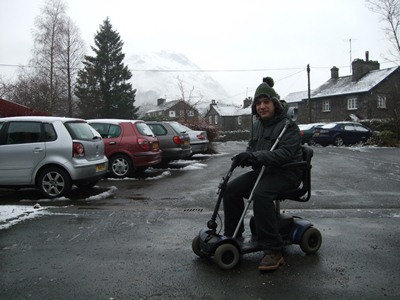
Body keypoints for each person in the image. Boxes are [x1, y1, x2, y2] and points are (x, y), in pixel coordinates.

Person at [223, 77, 303, 271]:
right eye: (258, 103)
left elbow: (285, 154)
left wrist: (256, 157)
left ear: (274, 104)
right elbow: (253, 147)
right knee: (230, 189)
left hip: (287, 173)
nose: (262, 107)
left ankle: (274, 251)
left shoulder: (288, 126)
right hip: (264, 171)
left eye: (266, 102)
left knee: (261, 194)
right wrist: (247, 156)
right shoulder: (258, 125)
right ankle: (233, 236)